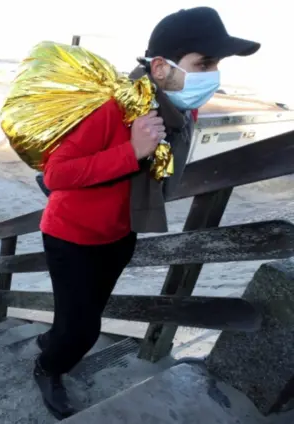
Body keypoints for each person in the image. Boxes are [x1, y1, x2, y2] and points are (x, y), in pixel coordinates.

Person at [33, 7, 260, 420]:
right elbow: (57, 173)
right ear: (160, 67)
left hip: (120, 234)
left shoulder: (176, 112)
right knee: (85, 329)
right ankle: (48, 367)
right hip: (72, 235)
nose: (213, 75)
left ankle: (57, 336)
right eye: (204, 64)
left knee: (85, 311)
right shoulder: (111, 107)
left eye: (216, 65)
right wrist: (130, 152)